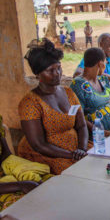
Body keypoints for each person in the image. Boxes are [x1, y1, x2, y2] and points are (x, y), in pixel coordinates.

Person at [18, 39, 91, 175]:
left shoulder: (68, 93)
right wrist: (71, 155)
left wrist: (82, 148)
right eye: (50, 70)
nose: (57, 73)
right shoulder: (30, 103)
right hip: (48, 155)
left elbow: (81, 125)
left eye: (58, 68)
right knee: (77, 174)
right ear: (38, 74)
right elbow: (38, 145)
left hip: (75, 149)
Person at [0, 115, 52, 211]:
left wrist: (26, 174)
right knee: (24, 205)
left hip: (4, 170)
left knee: (49, 183)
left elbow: (6, 154)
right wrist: (20, 185)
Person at [70, 48, 110, 137]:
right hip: (98, 139)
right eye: (105, 62)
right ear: (101, 64)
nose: (106, 65)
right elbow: (78, 117)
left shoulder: (103, 80)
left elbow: (109, 105)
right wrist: (106, 134)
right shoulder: (78, 85)